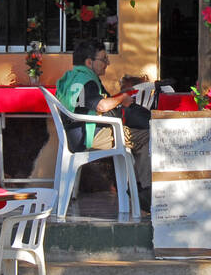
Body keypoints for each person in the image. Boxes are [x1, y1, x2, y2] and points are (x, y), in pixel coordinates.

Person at [52, 39, 152, 211]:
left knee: (136, 136)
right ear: (89, 62)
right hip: (89, 135)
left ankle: (136, 186)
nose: (107, 64)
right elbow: (101, 105)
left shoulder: (72, 77)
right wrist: (123, 98)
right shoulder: (88, 81)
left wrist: (118, 98)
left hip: (74, 135)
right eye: (104, 59)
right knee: (149, 136)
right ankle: (144, 191)